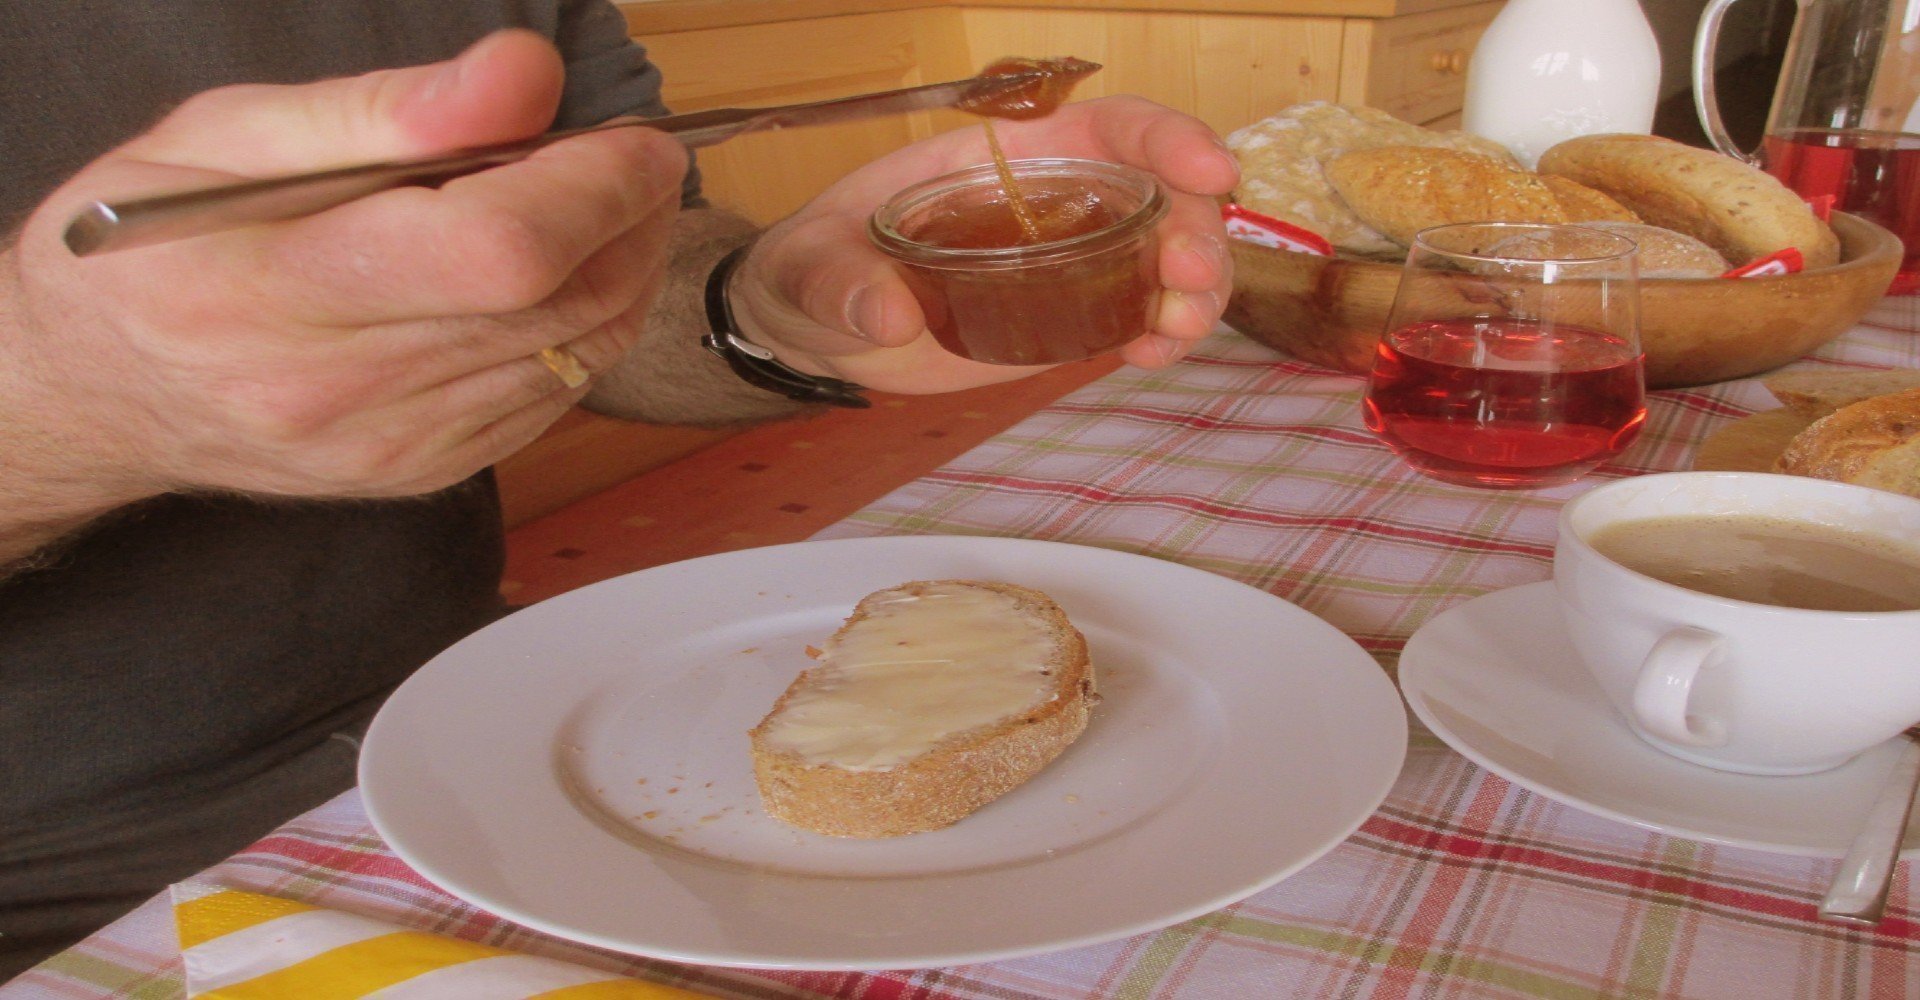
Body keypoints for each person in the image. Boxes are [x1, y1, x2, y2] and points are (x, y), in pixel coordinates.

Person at [0, 1, 1235, 976]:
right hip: (57, 885)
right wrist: (59, 405)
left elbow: (624, 282)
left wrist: (764, 315)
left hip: (485, 728)